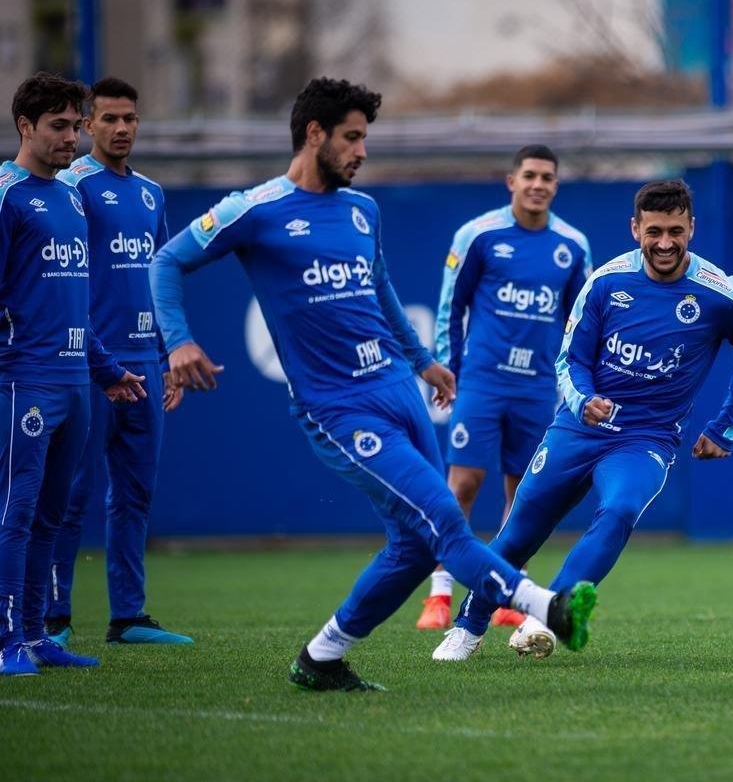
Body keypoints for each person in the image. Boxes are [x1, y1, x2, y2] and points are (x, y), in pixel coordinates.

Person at [149, 77, 597, 691]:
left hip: (399, 390)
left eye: (365, 138)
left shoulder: (363, 211)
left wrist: (421, 361)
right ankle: (549, 608)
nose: (362, 151)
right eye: (353, 138)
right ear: (315, 134)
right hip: (337, 407)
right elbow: (167, 260)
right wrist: (178, 341)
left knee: (415, 547)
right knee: (444, 516)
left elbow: (381, 288)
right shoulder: (253, 210)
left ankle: (322, 658)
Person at [433, 179, 733, 662]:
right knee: (519, 532)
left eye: (676, 230)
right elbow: (570, 360)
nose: (665, 243)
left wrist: (725, 426)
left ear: (692, 228)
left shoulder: (724, 295)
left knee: (619, 510)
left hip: (646, 439)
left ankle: (548, 614)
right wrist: (584, 398)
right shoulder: (606, 282)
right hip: (578, 428)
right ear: (635, 228)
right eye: (654, 231)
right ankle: (467, 627)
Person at [0, 73, 147, 676]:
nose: (70, 137)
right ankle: (7, 639)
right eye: (58, 126)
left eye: (72, 125)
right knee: (16, 511)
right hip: (23, 383)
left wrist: (107, 369)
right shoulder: (7, 195)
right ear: (24, 127)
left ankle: (36, 635)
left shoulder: (70, 198)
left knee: (55, 517)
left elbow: (77, 303)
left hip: (74, 384)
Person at [419, 144, 592, 631]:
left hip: (538, 388)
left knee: (524, 493)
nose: (538, 185)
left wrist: (575, 384)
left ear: (556, 186)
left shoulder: (572, 246)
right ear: (511, 180)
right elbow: (451, 304)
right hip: (482, 381)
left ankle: (511, 593)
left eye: (548, 178)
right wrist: (447, 368)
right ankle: (439, 593)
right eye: (530, 175)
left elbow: (581, 321)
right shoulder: (479, 235)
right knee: (465, 485)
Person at [45, 77, 191, 647]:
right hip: (88, 366)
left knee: (134, 493)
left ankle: (127, 616)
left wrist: (167, 355)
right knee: (70, 493)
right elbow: (63, 277)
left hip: (146, 365)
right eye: (109, 119)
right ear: (87, 126)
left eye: (130, 118)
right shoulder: (73, 187)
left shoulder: (152, 193)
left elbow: (158, 277)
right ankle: (53, 617)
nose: (122, 128)